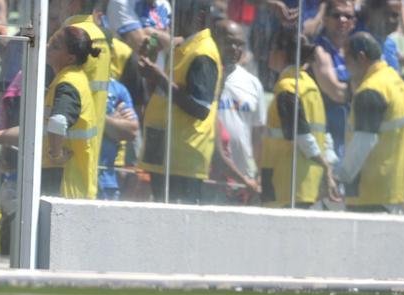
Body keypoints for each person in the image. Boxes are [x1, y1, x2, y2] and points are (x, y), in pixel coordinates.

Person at [138, 0, 222, 203]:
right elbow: (167, 94)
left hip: (183, 161)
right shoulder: (184, 47)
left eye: (180, 13)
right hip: (166, 154)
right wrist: (152, 76)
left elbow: (200, 108)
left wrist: (159, 77)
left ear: (199, 16)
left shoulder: (202, 53)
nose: (172, 19)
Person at [334, 32, 404, 212]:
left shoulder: (371, 90)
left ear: (361, 58)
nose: (345, 66)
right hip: (396, 190)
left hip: (371, 194)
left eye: (347, 59)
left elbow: (363, 142)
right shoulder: (396, 82)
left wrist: (340, 178)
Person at [260, 27, 340, 207]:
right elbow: (323, 137)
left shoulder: (287, 87)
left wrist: (325, 167)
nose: (268, 54)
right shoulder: (311, 86)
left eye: (271, 49)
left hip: (284, 183)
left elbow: (301, 134)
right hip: (306, 185)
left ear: (282, 53)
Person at [42, 25, 102, 198]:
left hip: (64, 186)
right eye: (50, 41)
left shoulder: (68, 83)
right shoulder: (74, 77)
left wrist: (56, 154)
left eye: (55, 46)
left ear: (70, 58)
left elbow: (58, 122)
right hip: (71, 186)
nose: (47, 47)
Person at [212, 19, 266, 199]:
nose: (235, 48)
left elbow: (258, 136)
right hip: (209, 178)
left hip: (244, 181)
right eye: (229, 42)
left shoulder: (252, 84)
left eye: (239, 44)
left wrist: (258, 174)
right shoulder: (202, 75)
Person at [311, 0, 355, 162]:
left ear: (354, 22)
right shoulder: (319, 50)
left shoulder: (356, 50)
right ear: (325, 19)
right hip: (326, 139)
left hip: (349, 138)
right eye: (336, 15)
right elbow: (336, 92)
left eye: (348, 16)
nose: (342, 20)